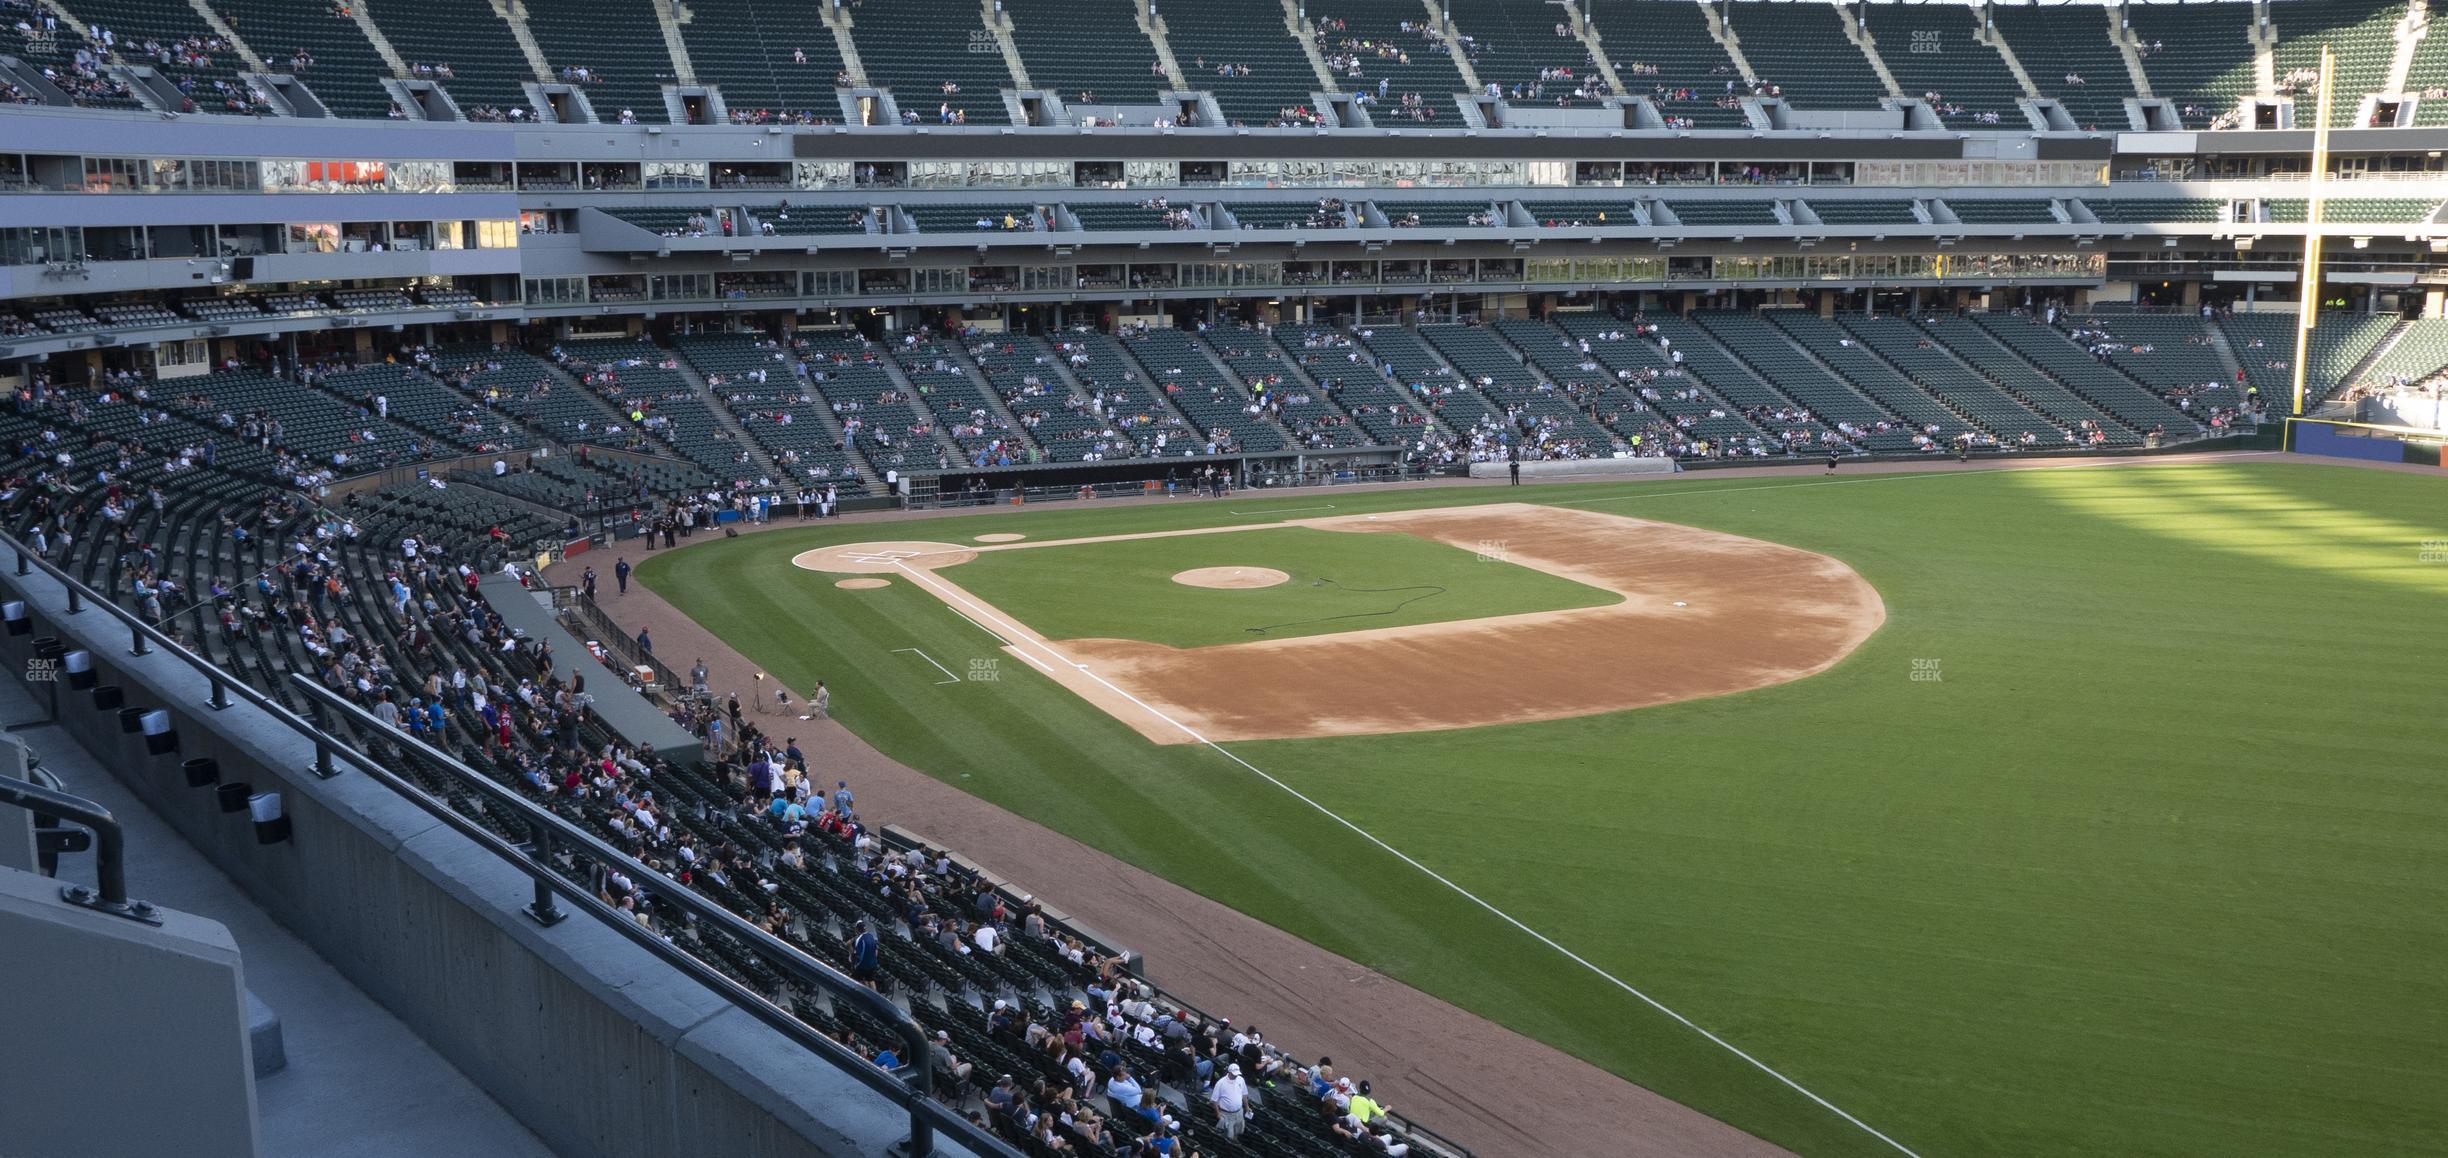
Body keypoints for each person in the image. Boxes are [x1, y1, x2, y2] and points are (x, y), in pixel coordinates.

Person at [1211, 1062, 1250, 1140]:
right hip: (1226, 1114)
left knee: (1238, 1132)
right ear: (1229, 1072)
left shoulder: (1240, 1079)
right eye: (1234, 1074)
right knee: (1228, 1136)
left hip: (1239, 1112)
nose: (1236, 1075)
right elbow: (1213, 1101)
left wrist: (1247, 1107)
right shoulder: (1220, 1083)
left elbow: (1244, 1094)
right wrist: (1218, 1113)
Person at [849, 918, 879, 986]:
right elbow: (876, 950)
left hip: (864, 965)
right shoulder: (871, 936)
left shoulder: (859, 940)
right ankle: (874, 995)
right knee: (871, 980)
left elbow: (856, 954)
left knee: (854, 980)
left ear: (857, 929)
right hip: (873, 964)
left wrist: (852, 961)